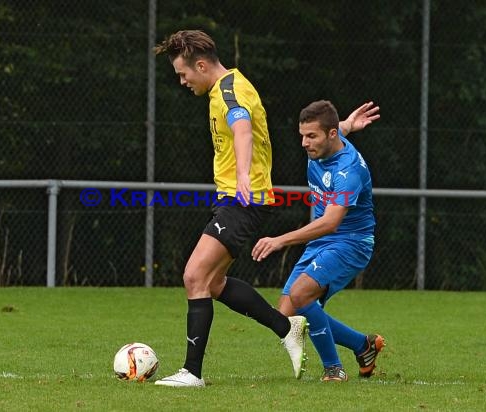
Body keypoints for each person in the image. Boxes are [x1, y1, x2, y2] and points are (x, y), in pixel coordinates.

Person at [153, 30, 379, 387]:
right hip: (236, 198)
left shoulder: (229, 90)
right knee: (211, 283)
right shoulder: (228, 87)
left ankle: (192, 373)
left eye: (183, 73)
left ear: (200, 64)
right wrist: (346, 126)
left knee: (193, 276)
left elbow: (242, 129)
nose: (182, 81)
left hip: (242, 199)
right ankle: (286, 327)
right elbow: (319, 137)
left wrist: (242, 175)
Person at [252, 100, 385, 382]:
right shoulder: (327, 143)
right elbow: (341, 129)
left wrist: (280, 241)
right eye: (302, 135)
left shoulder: (349, 171)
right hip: (324, 241)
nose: (304, 143)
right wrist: (349, 123)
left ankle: (333, 369)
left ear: (330, 135)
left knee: (301, 296)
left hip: (351, 242)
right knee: (287, 317)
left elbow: (331, 222)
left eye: (311, 136)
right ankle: (364, 345)